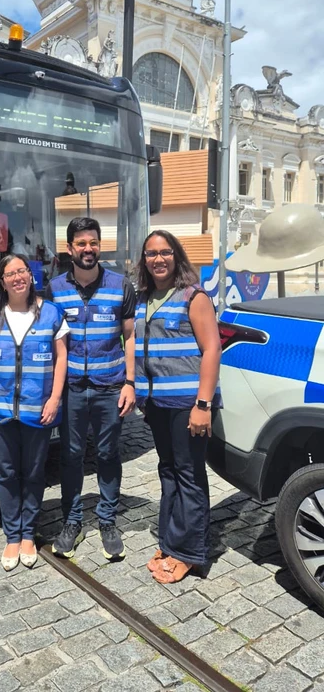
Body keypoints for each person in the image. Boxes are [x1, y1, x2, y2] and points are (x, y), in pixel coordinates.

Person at [46, 217, 136, 561]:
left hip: (110, 387)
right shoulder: (55, 289)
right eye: (81, 243)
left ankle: (107, 520)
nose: (88, 249)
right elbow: (51, 341)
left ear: (100, 245)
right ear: (70, 248)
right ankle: (72, 521)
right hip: (70, 389)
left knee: (108, 453)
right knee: (70, 456)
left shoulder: (120, 285)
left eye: (93, 243)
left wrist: (130, 383)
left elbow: (130, 336)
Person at [135, 230, 222, 583]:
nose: (158, 259)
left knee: (189, 474)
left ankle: (190, 553)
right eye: (151, 253)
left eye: (165, 252)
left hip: (188, 403)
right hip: (158, 403)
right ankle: (170, 542)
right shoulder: (144, 298)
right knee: (168, 470)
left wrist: (203, 404)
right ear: (144, 260)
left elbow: (212, 349)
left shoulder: (193, 296)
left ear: (176, 256)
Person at [0, 254, 68, 571]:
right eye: (10, 273)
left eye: (22, 271)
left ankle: (28, 533)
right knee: (6, 472)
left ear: (31, 276)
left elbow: (61, 357)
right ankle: (12, 536)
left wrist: (54, 398)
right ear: (2, 281)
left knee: (33, 473)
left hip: (37, 410)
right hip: (1, 410)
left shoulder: (52, 313)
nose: (17, 277)